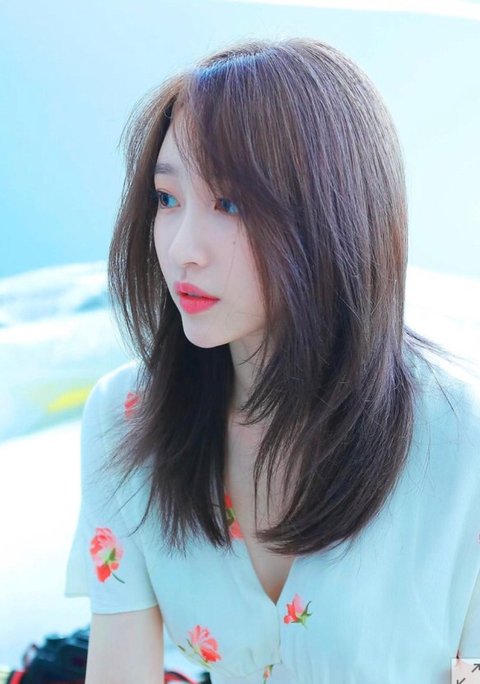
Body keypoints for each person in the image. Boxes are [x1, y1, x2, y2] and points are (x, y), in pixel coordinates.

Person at [64, 37, 480, 683]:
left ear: (333, 213)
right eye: (168, 199)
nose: (183, 249)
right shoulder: (125, 417)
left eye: (230, 204)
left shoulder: (459, 436)